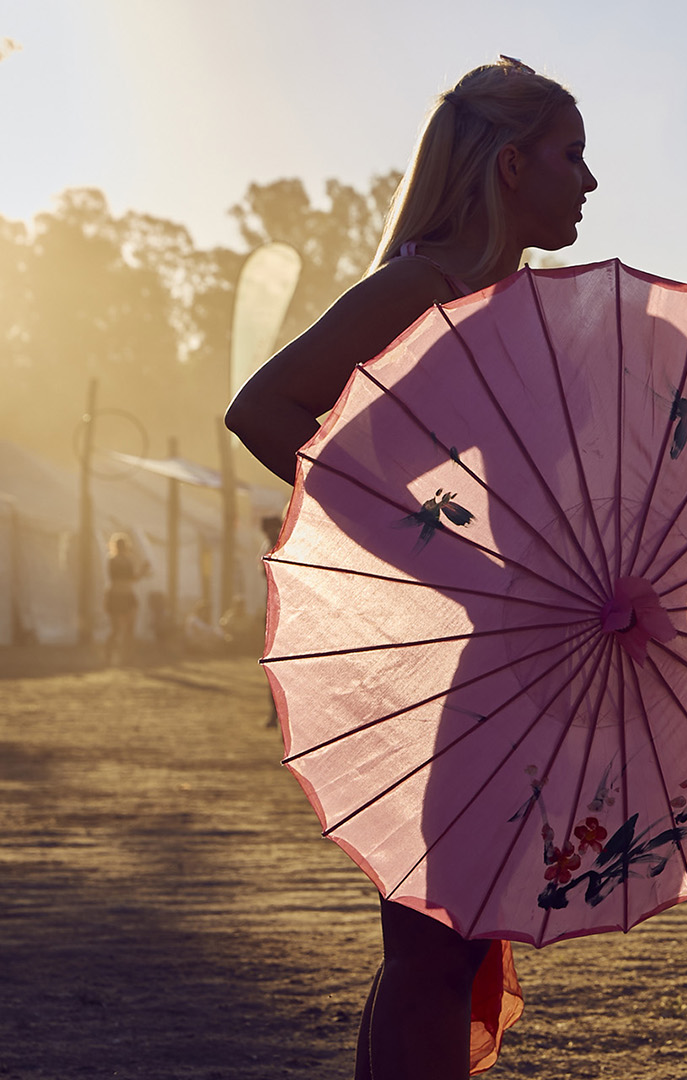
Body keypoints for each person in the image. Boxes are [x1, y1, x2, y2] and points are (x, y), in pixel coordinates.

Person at [226, 56, 596, 1080]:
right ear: (513, 164)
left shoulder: (512, 305)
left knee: (451, 940)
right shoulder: (423, 286)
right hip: (453, 653)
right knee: (434, 945)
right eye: (574, 155)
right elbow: (264, 410)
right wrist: (426, 551)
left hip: (517, 652)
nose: (591, 181)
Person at [103, 533, 147, 666]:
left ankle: (127, 657)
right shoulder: (113, 560)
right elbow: (122, 578)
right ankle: (109, 654)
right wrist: (141, 572)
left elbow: (132, 579)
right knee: (116, 629)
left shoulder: (128, 561)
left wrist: (142, 572)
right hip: (117, 595)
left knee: (129, 628)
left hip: (127, 595)